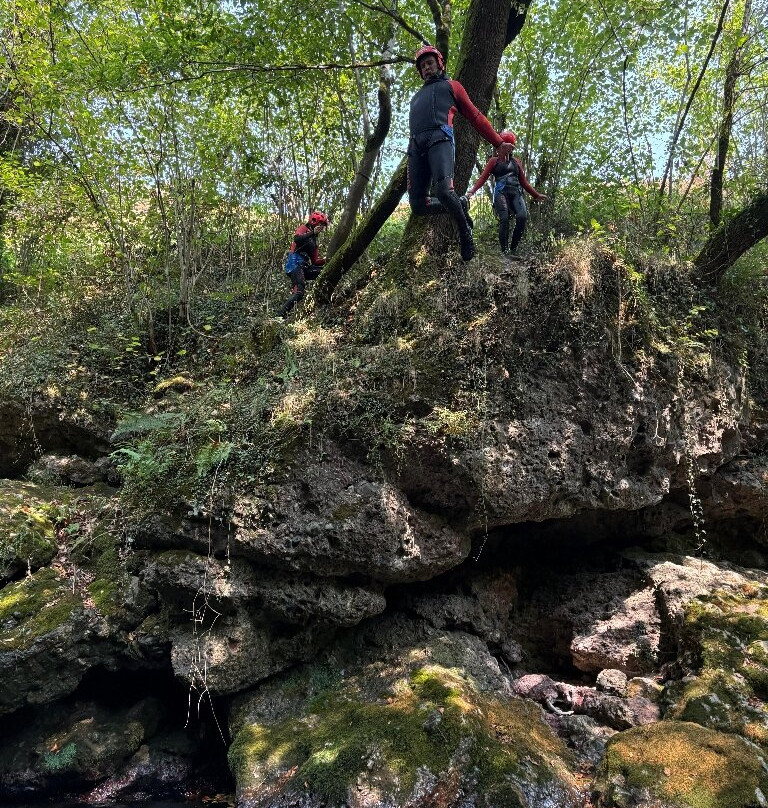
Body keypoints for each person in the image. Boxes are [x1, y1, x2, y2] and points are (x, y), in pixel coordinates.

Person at [408, 45, 514, 262]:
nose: (426, 68)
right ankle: (462, 205)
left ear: (439, 64)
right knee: (418, 205)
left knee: (445, 193)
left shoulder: (452, 86)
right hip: (416, 146)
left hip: (440, 138)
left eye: (430, 63)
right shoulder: (416, 98)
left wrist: (498, 141)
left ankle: (465, 232)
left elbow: (475, 116)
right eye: (422, 66)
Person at [466, 130, 547, 259]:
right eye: (504, 146)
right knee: (504, 219)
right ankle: (505, 252)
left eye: (510, 146)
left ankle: (513, 250)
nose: (507, 149)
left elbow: (524, 182)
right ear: (499, 146)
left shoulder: (516, 162)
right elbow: (482, 178)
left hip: (516, 192)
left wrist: (535, 195)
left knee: (522, 216)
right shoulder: (494, 161)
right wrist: (472, 191)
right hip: (500, 193)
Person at [279, 211, 329, 318]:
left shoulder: (314, 241)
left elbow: (315, 261)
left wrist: (327, 260)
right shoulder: (304, 228)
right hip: (295, 264)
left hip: (305, 267)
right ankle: (279, 316)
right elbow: (296, 239)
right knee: (299, 293)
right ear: (314, 222)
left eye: (323, 226)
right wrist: (312, 233)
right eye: (320, 225)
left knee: (324, 272)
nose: (321, 228)